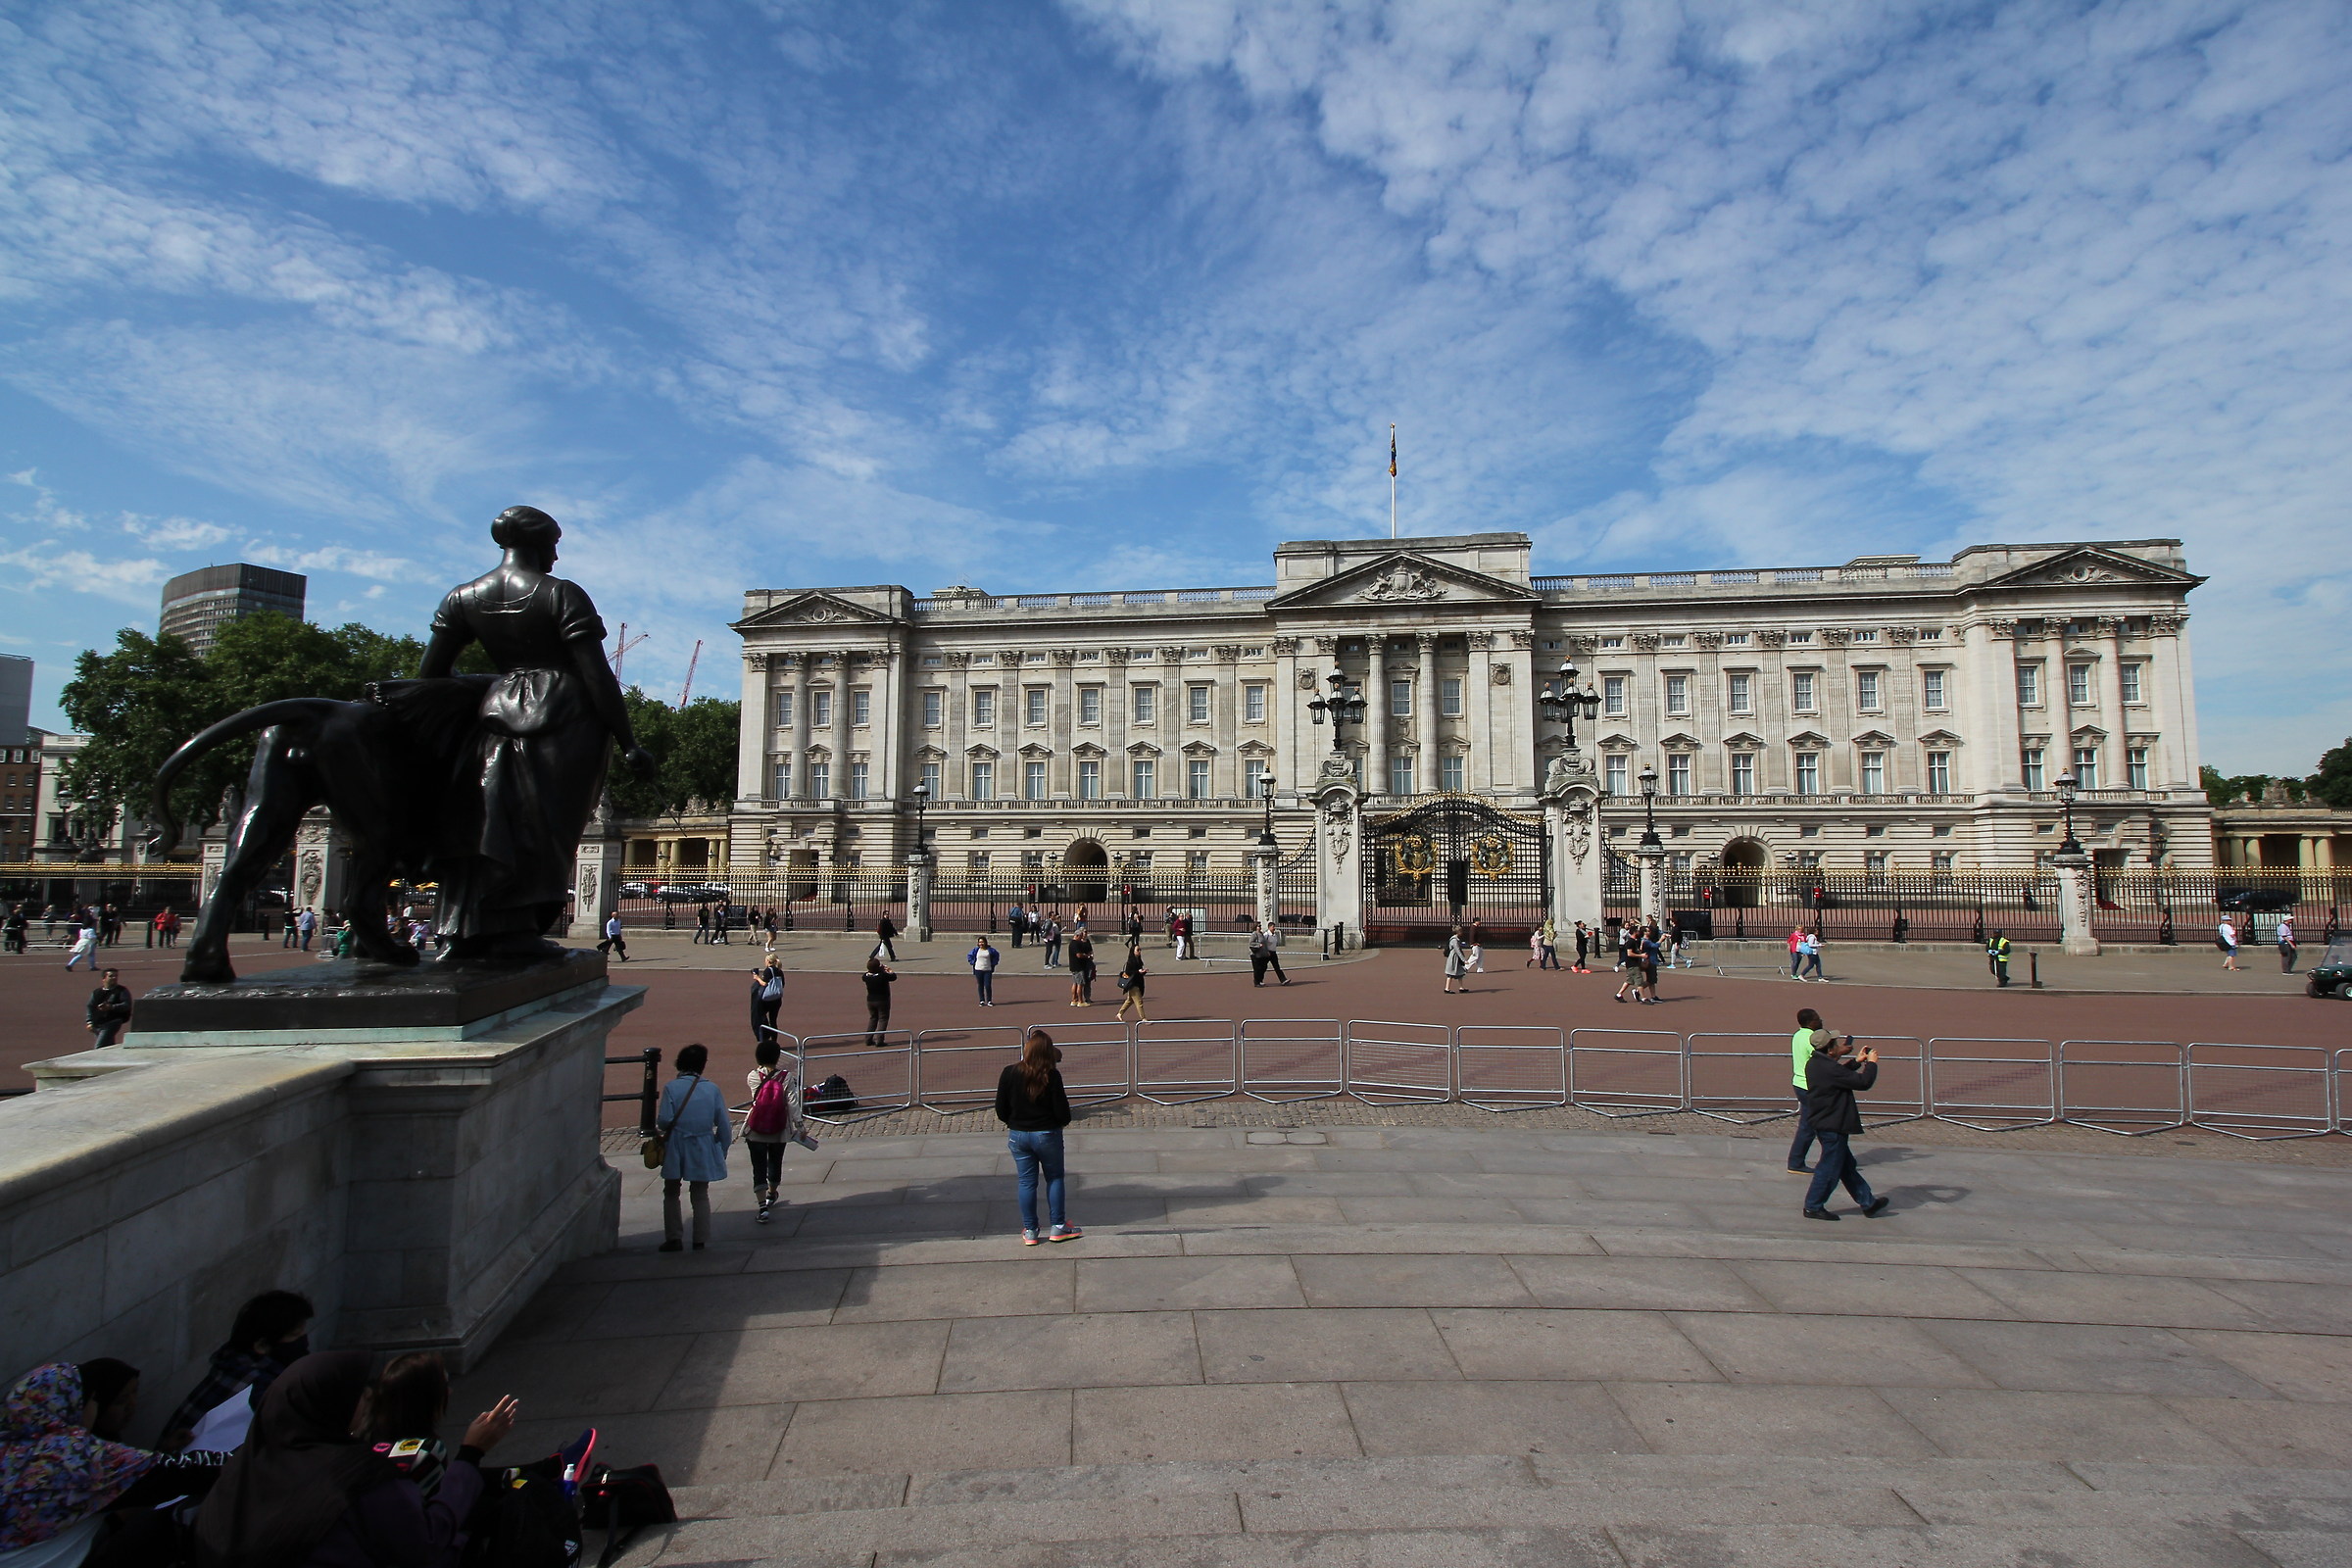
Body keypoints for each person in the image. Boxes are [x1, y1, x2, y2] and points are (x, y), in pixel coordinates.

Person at [194, 1350, 514, 1568]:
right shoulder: (358, 1476)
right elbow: (424, 1544)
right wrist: (471, 1455)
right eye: (356, 1394)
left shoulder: (242, 1471)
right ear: (328, 1409)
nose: (366, 1399)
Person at [1, 1362, 227, 1568]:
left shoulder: (10, 1445)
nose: (94, 1408)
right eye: (91, 1400)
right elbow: (180, 1473)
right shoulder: (72, 1457)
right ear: (74, 1405)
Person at [160, 1290, 315, 1453]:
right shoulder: (258, 1386)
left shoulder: (234, 1363)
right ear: (261, 1345)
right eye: (294, 1335)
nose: (303, 1340)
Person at [994, 1029, 1080, 1245]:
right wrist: (1058, 1123)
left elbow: (1000, 1109)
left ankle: (1030, 1230)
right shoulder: (1051, 1075)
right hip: (1047, 1133)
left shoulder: (1009, 1072)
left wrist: (1013, 1123)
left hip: (1019, 1135)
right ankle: (1058, 1226)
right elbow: (1063, 1113)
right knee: (1055, 1178)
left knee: (1026, 1182)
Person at [1800, 1033, 1891, 1221]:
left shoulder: (1816, 1063)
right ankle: (1813, 1206)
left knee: (1846, 1166)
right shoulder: (1828, 1067)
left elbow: (1838, 1076)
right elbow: (1863, 1082)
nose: (1838, 1046)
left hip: (1826, 1122)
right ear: (1829, 1048)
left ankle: (1868, 1202)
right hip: (1833, 1124)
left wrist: (1856, 1062)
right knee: (1830, 1167)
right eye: (1835, 1044)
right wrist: (1872, 1064)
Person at [656, 1043, 731, 1252]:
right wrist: (721, 1150)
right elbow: (724, 1126)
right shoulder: (712, 1088)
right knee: (700, 1193)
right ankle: (700, 1238)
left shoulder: (672, 1087)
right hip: (703, 1143)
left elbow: (664, 1120)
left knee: (671, 1191)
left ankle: (673, 1237)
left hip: (677, 1144)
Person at [744, 1037, 801, 1224]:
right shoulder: (786, 1078)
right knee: (775, 1163)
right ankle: (772, 1192)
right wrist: (800, 1125)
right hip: (779, 1128)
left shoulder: (752, 1077)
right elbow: (792, 1103)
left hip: (756, 1128)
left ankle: (762, 1207)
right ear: (777, 1058)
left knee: (758, 1166)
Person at [1785, 1006, 1829, 1174]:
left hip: (1800, 1083)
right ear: (1810, 1022)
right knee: (1811, 1126)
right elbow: (1823, 1059)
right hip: (1809, 1086)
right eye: (1818, 1018)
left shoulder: (1798, 1035)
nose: (1821, 1021)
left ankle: (1797, 1160)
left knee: (1810, 1124)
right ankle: (1796, 1162)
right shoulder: (1811, 1038)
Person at [85, 969, 132, 1050]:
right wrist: (89, 1021)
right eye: (111, 976)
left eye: (116, 976)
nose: (114, 978)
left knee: (99, 1046)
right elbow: (90, 1006)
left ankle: (98, 1060)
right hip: (98, 1023)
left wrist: (111, 1007)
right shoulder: (97, 992)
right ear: (104, 978)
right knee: (108, 1046)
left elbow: (127, 1005)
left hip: (113, 1021)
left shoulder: (121, 991)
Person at [861, 955, 897, 1047]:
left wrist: (878, 969)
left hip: (870, 1000)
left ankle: (868, 1039)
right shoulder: (882, 976)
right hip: (882, 1000)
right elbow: (893, 977)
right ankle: (879, 1040)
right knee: (883, 1019)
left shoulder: (866, 977)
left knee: (873, 1018)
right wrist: (888, 970)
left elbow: (868, 973)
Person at [750, 960, 784, 1046]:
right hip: (777, 999)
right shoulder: (780, 971)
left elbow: (764, 983)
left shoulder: (768, 970)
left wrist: (757, 977)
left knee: (760, 1017)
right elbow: (782, 984)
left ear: (768, 961)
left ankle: (764, 1039)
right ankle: (774, 1041)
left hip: (767, 999)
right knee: (773, 1021)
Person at [1114, 943, 1150, 1023]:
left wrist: (1143, 972)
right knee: (1139, 1002)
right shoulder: (1130, 962)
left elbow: (1139, 973)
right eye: (1137, 950)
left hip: (1138, 982)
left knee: (1129, 1000)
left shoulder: (1139, 961)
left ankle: (1120, 1014)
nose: (1139, 951)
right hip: (1133, 984)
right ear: (1133, 951)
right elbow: (1128, 972)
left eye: (1140, 950)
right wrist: (1138, 971)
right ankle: (1143, 1018)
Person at [1248, 922, 1290, 986]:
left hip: (1272, 952)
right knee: (1262, 968)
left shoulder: (1271, 934)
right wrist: (1262, 948)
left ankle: (1283, 980)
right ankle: (1258, 981)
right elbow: (1254, 943)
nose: (1274, 928)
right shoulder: (1265, 934)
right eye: (1273, 927)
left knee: (1276, 967)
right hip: (1265, 953)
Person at [967, 934, 1001, 1006]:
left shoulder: (990, 950)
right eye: (979, 942)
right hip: (978, 969)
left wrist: (993, 963)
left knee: (988, 985)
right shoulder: (976, 950)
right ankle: (981, 1000)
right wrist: (973, 962)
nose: (981, 944)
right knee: (980, 985)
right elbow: (969, 956)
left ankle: (989, 1000)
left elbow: (996, 955)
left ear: (985, 942)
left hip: (987, 969)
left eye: (982, 942)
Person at [1067, 927, 1097, 1006]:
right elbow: (1079, 955)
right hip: (1078, 966)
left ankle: (1074, 1000)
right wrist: (1086, 956)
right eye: (1080, 936)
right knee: (1080, 984)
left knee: (1075, 983)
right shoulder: (1075, 944)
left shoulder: (1072, 943)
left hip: (1073, 966)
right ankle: (1080, 1001)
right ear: (1077, 936)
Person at [1444, 926, 1467, 995]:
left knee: (1460, 973)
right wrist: (1464, 960)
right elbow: (1457, 950)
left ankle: (1461, 987)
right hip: (1454, 958)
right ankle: (1447, 988)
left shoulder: (1456, 939)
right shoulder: (1454, 940)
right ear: (1458, 932)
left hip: (1457, 959)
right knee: (1450, 974)